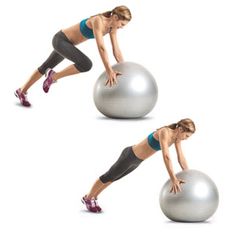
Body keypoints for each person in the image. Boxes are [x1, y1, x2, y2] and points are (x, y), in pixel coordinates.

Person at [15, 6, 132, 107]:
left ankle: (21, 91)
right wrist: (109, 70)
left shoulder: (112, 28)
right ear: (115, 17)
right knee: (86, 64)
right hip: (60, 40)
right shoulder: (98, 21)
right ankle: (53, 77)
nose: (122, 27)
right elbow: (101, 47)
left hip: (68, 45)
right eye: (122, 24)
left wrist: (124, 67)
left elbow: (116, 49)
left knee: (45, 66)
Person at [82, 118, 196, 213]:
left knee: (113, 178)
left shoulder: (177, 139)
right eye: (186, 136)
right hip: (129, 156)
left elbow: (181, 157)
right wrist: (173, 178)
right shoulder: (164, 132)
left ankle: (93, 197)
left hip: (137, 161)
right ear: (180, 129)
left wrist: (188, 174)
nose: (186, 139)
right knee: (108, 176)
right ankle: (88, 198)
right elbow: (166, 156)